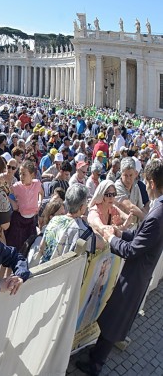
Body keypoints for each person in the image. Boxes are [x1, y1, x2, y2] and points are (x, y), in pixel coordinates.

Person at [77, 160, 163, 375]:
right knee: (115, 316)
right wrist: (120, 234)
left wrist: (109, 236)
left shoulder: (157, 212)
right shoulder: (158, 209)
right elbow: (141, 236)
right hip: (139, 271)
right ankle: (97, 356)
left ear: (151, 183)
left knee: (115, 318)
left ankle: (95, 364)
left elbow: (132, 250)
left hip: (135, 273)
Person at [40, 184, 92, 262]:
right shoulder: (83, 229)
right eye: (86, 202)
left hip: (44, 269)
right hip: (63, 272)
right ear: (81, 207)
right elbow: (100, 244)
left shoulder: (54, 219)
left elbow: (41, 247)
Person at [6, 160, 43, 253]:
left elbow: (41, 193)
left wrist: (39, 202)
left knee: (30, 248)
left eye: (24, 174)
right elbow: (5, 194)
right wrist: (13, 203)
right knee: (16, 249)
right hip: (18, 222)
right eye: (20, 174)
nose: (21, 177)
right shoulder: (16, 186)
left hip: (31, 222)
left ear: (32, 175)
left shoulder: (37, 183)